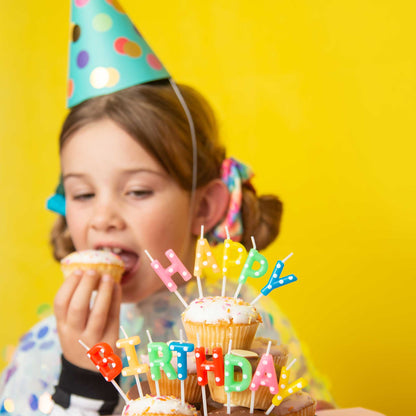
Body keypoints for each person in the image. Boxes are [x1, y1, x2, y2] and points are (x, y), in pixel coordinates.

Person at [0, 2, 333, 415]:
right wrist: (81, 375)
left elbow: (302, 404)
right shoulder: (48, 346)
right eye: (83, 195)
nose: (103, 217)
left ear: (204, 206)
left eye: (138, 191)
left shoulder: (248, 323)